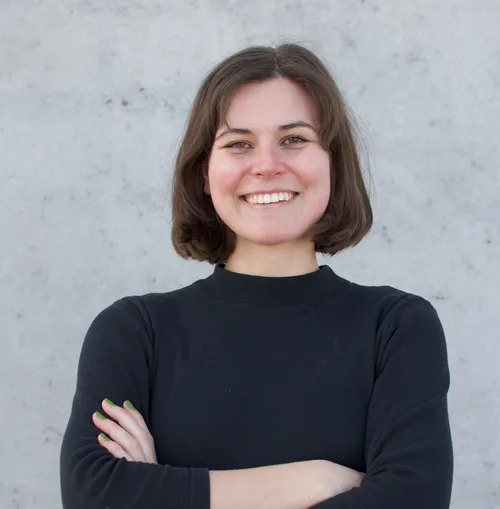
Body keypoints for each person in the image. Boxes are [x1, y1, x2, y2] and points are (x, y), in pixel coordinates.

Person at [60, 43, 453, 509]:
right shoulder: (134, 331)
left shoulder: (397, 327)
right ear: (205, 173)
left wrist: (161, 490)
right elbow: (95, 496)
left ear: (333, 162)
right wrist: (314, 481)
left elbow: (413, 500)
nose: (267, 165)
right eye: (238, 144)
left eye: (294, 140)